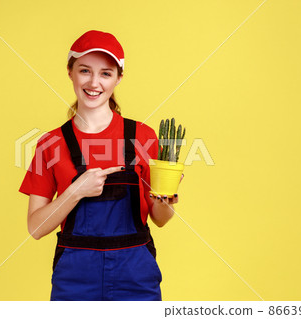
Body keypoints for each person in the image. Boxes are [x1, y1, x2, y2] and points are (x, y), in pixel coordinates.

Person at [19, 30, 183, 301]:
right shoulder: (50, 143)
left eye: (106, 73)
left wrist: (165, 200)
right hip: (74, 281)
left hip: (136, 277)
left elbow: (160, 219)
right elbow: (36, 228)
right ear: (70, 72)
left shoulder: (143, 137)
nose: (94, 82)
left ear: (118, 78)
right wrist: (75, 191)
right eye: (85, 70)